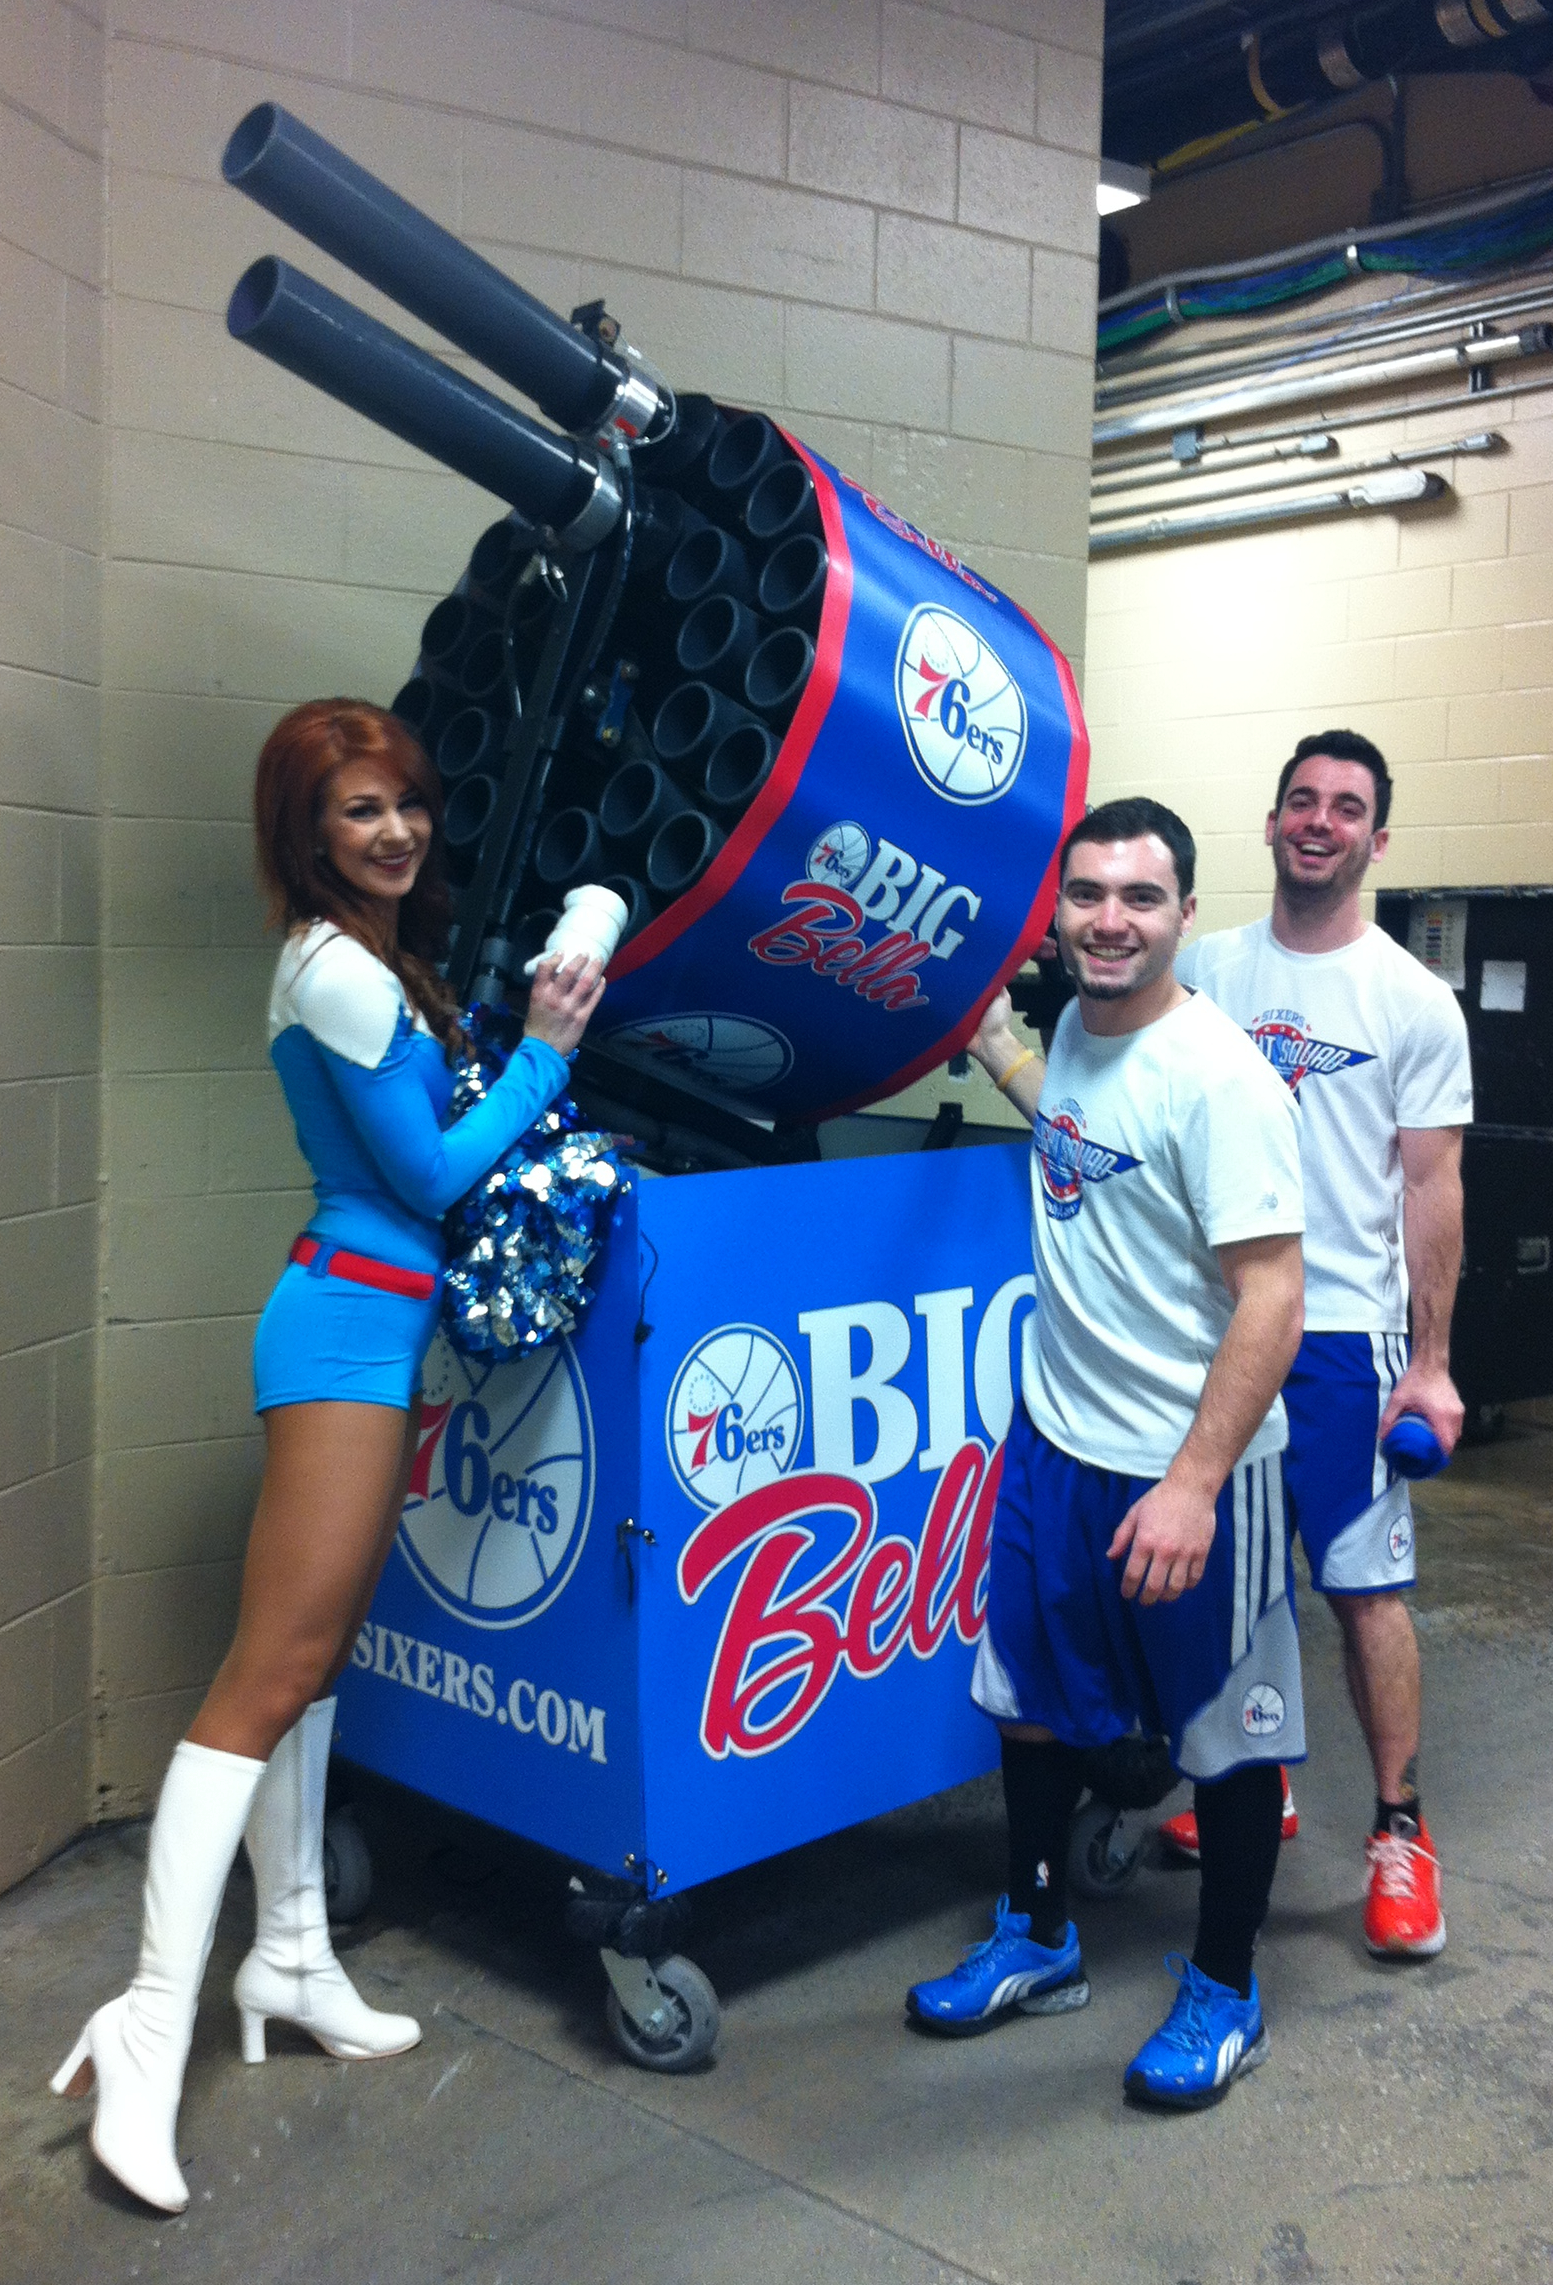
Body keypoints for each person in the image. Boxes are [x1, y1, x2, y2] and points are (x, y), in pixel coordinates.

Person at [51, 699, 605, 2214]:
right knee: (266, 1676)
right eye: (361, 811)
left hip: (371, 1327)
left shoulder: (368, 964)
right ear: (305, 831)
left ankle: (289, 1957)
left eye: (408, 805)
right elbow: (429, 1170)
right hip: (344, 1333)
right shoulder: (338, 968)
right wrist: (548, 1056)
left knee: (315, 1663)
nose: (396, 831)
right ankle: (151, 2017)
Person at [907, 795, 1307, 2110]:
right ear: (1060, 909)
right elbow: (1072, 1126)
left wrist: (1192, 1486)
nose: (1110, 920)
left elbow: (1272, 1298)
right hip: (1056, 1446)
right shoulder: (1078, 1030)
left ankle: (1227, 1986)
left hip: (1195, 1469)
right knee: (1026, 1699)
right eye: (1087, 895)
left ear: (1186, 913)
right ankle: (1038, 1933)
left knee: (1227, 1732)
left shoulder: (1224, 1077)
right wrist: (995, 1042)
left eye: (1140, 897)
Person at [1164, 730, 1472, 1960]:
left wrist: (1431, 1359)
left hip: (1343, 1337)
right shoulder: (1204, 970)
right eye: (1301, 799)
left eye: (1345, 808)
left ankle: (1398, 1828)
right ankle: (1255, 1778)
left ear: (1374, 839)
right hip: (1222, 1323)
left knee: (1363, 1590)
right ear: (1272, 819)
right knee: (1227, 1579)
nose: (1318, 821)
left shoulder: (1409, 995)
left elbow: (1431, 1188)